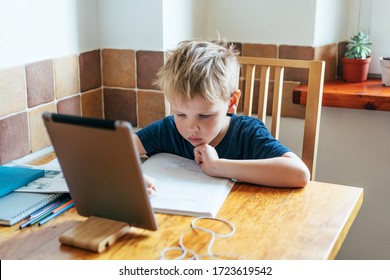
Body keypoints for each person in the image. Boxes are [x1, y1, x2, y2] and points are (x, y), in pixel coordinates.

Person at [135, 40, 310, 188]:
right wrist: (135, 180)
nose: (191, 128)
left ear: (231, 102)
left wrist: (217, 167)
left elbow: (300, 174)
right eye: (180, 114)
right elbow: (114, 152)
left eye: (204, 116)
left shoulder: (247, 133)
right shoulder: (168, 130)